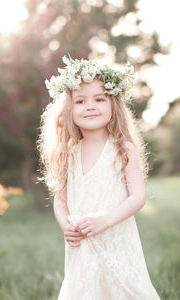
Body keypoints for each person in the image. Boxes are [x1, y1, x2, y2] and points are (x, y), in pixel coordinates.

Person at [37, 55, 162, 299]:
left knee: (123, 288)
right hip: (82, 241)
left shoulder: (123, 148)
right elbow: (61, 201)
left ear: (113, 104)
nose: (90, 105)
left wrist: (105, 221)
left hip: (115, 235)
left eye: (99, 99)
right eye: (80, 101)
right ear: (68, 110)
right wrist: (65, 225)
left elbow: (137, 197)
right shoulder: (68, 154)